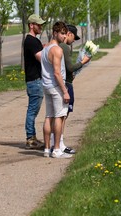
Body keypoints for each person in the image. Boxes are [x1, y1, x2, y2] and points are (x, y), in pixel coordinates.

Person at [49, 24, 90, 154]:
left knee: (56, 115)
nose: (73, 41)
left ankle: (54, 143)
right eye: (74, 38)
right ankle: (59, 144)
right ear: (69, 34)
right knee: (62, 116)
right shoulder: (64, 48)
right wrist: (83, 62)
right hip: (66, 84)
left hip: (57, 83)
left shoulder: (55, 47)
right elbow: (70, 67)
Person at [41, 21, 72, 158]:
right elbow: (57, 73)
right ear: (55, 33)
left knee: (49, 116)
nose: (64, 36)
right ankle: (57, 149)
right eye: (62, 33)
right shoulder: (57, 50)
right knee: (59, 116)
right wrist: (65, 91)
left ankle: (47, 149)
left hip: (46, 86)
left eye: (65, 33)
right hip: (55, 86)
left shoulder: (45, 48)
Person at [24, 14, 46, 149]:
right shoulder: (31, 41)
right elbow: (41, 58)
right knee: (32, 111)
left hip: (35, 80)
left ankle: (32, 137)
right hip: (35, 80)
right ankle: (30, 138)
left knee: (33, 110)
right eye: (38, 25)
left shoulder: (33, 41)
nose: (41, 27)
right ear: (31, 25)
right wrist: (50, 49)